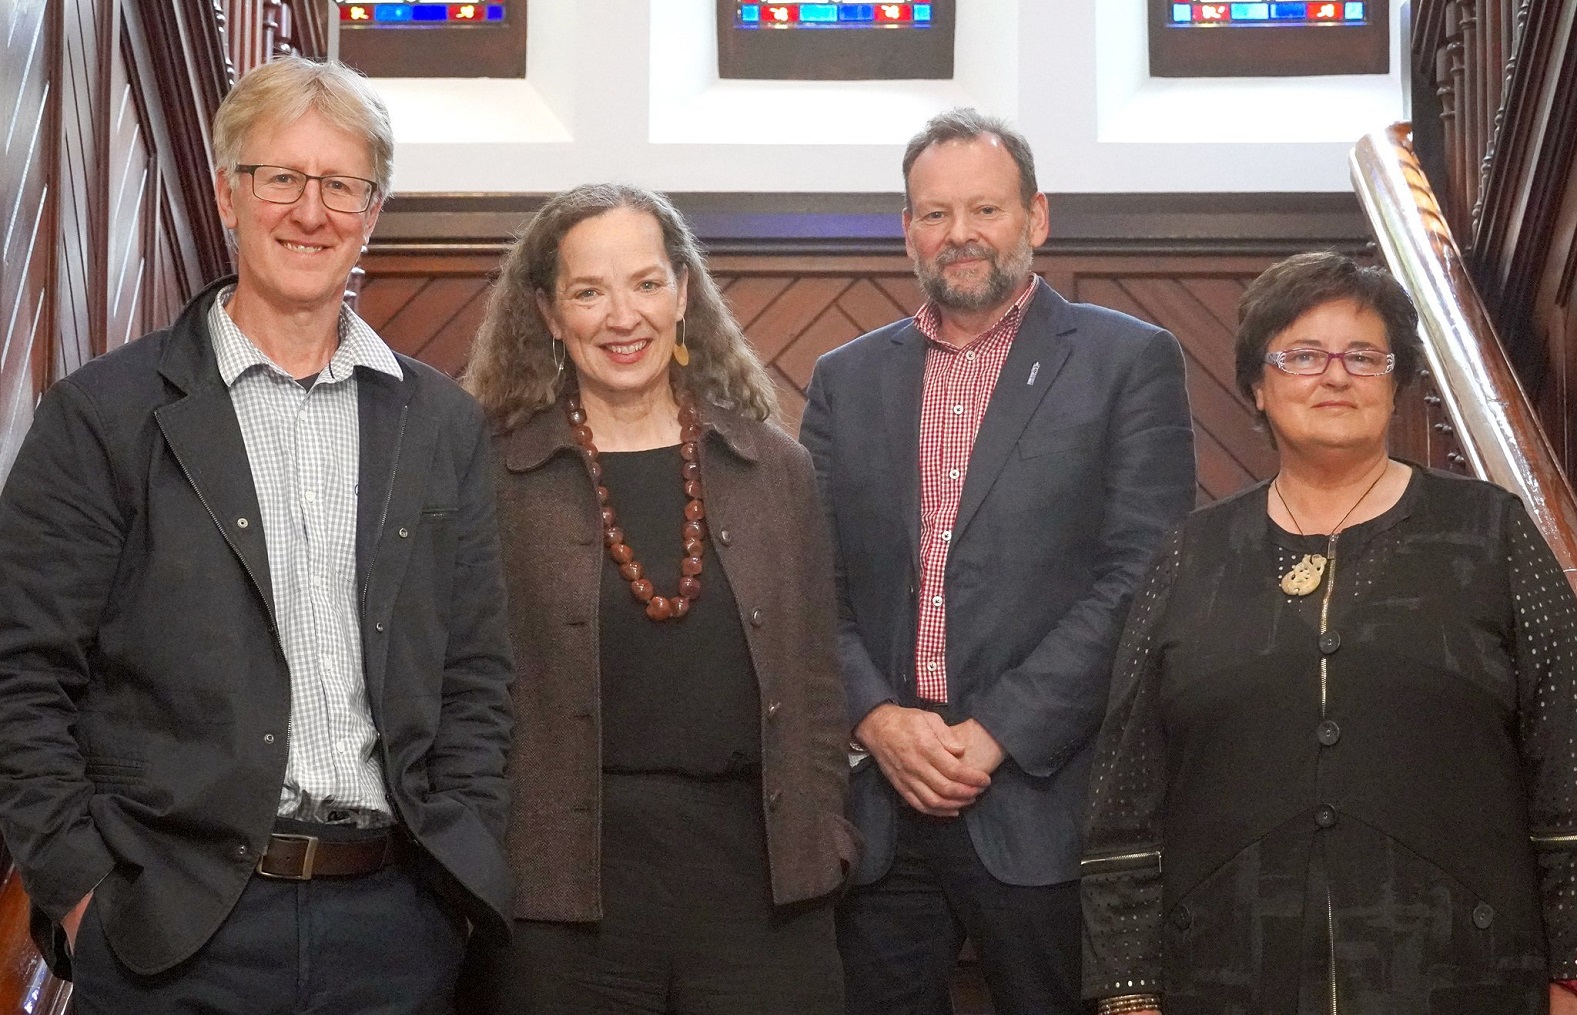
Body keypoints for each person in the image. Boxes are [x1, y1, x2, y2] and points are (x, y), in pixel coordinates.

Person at [0, 57, 514, 1014]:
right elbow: (20, 672)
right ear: (227, 192)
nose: (309, 211)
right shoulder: (103, 415)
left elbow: (476, 673)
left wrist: (459, 871)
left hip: (395, 925)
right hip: (173, 928)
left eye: (341, 185)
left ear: (374, 211)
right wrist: (79, 892)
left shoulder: (441, 424)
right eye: (280, 177)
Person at [1081, 251, 1577, 1015]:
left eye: (1362, 356)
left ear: (1396, 378)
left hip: (1461, 973)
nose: (1334, 375)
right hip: (1228, 976)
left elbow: (1566, 761)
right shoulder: (1191, 554)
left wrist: (1569, 972)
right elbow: (1127, 789)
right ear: (1256, 382)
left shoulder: (1489, 532)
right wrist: (1127, 990)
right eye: (1302, 355)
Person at [799, 107, 1197, 1014]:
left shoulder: (1126, 360)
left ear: (1036, 218)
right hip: (881, 805)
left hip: (1044, 799)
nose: (959, 234)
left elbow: (1143, 574)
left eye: (984, 209)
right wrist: (876, 719)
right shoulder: (844, 378)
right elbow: (807, 583)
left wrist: (998, 731)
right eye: (933, 213)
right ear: (906, 229)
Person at [459, 182, 858, 1015]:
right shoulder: (491, 475)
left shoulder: (773, 469)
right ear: (546, 310)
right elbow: (460, 689)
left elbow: (818, 681)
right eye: (588, 291)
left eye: (644, 283)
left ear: (683, 292)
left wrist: (830, 837)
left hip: (763, 886)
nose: (621, 316)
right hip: (560, 893)